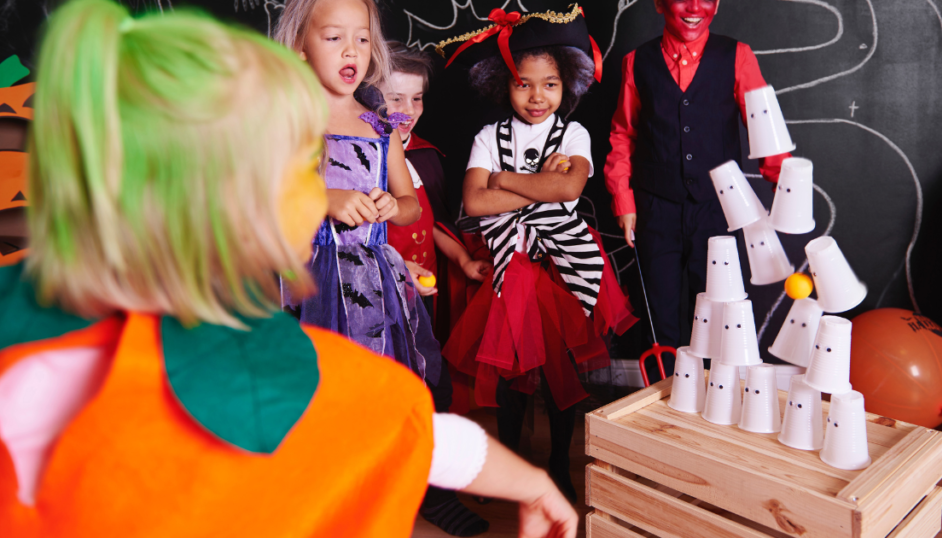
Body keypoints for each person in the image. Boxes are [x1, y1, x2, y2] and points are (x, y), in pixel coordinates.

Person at [0, 1, 578, 537]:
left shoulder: (29, 323)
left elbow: (405, 423)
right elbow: (403, 424)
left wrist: (524, 481)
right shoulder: (262, 352)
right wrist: (527, 483)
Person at [439, 6, 637, 504]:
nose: (536, 96)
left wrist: (504, 178)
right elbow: (475, 201)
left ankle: (556, 465)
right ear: (504, 84)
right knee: (509, 374)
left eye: (549, 84)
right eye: (523, 84)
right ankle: (508, 463)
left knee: (560, 371)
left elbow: (569, 186)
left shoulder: (572, 135)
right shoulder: (489, 137)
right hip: (511, 264)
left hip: (560, 264)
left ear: (565, 83)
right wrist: (536, 186)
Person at [604, 0, 792, 365]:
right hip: (654, 209)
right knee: (658, 315)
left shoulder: (737, 55)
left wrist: (784, 194)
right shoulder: (636, 61)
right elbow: (623, 134)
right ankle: (661, 402)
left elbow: (765, 130)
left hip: (719, 209)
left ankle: (708, 403)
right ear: (659, 4)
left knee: (715, 314)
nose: (694, 6)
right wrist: (623, 201)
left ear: (717, 4)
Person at [274, 0, 440, 387]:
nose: (352, 50)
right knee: (316, 383)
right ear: (300, 46)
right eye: (334, 37)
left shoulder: (381, 126)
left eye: (362, 39)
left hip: (373, 278)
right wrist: (323, 199)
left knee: (373, 380)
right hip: (309, 277)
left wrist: (391, 206)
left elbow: (410, 206)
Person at [383, 41, 493, 537]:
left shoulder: (425, 158)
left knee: (435, 387)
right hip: (377, 300)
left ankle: (435, 487)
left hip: (423, 301)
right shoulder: (353, 159)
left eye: (417, 99)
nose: (406, 112)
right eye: (394, 98)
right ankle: (397, 491)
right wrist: (391, 264)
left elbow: (437, 223)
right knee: (394, 394)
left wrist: (463, 258)